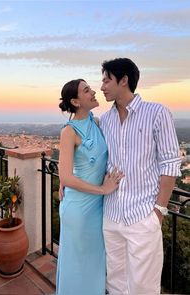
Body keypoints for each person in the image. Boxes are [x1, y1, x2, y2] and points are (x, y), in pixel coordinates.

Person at [99, 58, 181, 295]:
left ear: (123, 80)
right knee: (114, 281)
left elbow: (169, 163)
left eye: (106, 80)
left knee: (143, 287)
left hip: (143, 215)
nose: (102, 86)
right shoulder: (105, 120)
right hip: (112, 214)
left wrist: (159, 211)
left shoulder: (157, 113)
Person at [56, 78, 123, 295]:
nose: (93, 91)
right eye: (86, 90)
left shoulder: (96, 122)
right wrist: (103, 189)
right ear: (75, 101)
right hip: (79, 210)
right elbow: (66, 176)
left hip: (97, 210)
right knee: (76, 266)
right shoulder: (69, 132)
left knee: (94, 265)